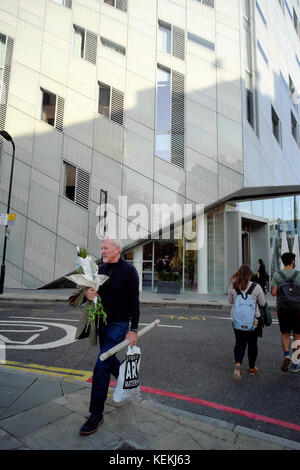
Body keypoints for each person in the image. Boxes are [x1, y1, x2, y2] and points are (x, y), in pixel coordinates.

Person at [79, 238, 140, 435]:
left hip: (119, 324)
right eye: (102, 248)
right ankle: (126, 380)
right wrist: (89, 295)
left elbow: (135, 302)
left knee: (101, 364)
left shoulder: (129, 271)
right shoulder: (100, 268)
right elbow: (95, 293)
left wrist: (134, 329)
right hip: (102, 323)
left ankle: (96, 415)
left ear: (117, 250)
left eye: (106, 248)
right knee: (109, 358)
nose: (102, 250)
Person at [228, 264, 265, 380]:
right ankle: (252, 368)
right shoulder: (256, 287)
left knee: (239, 343)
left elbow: (230, 301)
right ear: (250, 275)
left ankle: (238, 364)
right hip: (254, 321)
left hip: (237, 320)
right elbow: (263, 303)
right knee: (252, 344)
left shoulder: (233, 286)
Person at [270, 252, 300, 373]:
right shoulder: (299, 274)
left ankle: (286, 354)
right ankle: (295, 363)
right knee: (298, 335)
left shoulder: (277, 275)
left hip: (283, 309)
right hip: (298, 309)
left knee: (285, 333)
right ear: (293, 261)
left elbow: (273, 293)